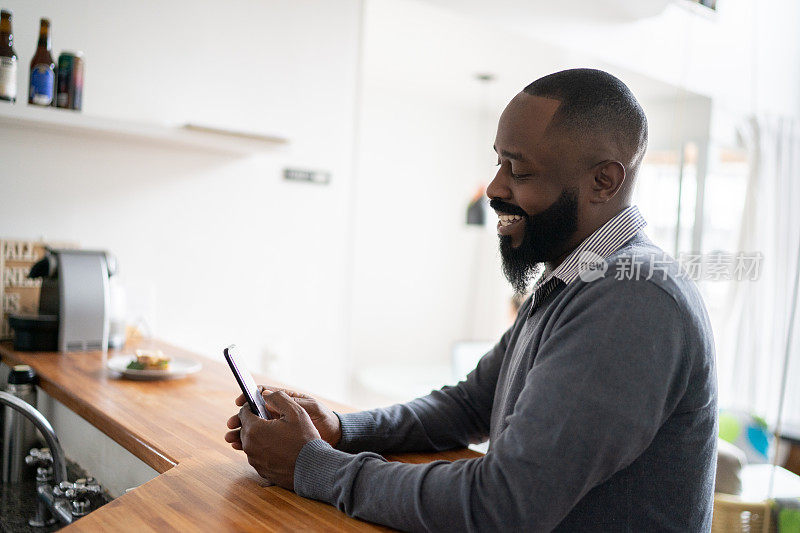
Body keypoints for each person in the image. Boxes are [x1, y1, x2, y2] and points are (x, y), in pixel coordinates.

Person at [225, 68, 717, 532]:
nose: (495, 188)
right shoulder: (575, 278)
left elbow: (502, 505)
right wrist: (338, 429)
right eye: (499, 161)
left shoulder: (633, 300)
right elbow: (468, 405)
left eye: (519, 171)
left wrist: (313, 467)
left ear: (603, 181)